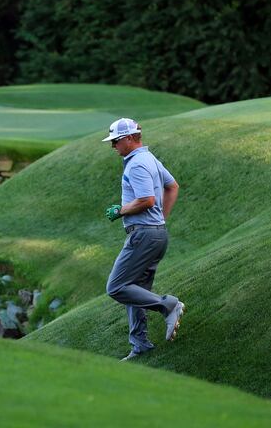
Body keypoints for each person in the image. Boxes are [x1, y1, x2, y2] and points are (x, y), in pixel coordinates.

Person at [102, 117, 184, 361]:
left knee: (117, 287)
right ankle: (140, 345)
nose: (113, 146)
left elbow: (146, 200)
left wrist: (120, 211)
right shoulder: (150, 158)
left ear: (129, 138)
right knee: (135, 289)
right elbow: (173, 186)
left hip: (143, 235)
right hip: (156, 233)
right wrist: (160, 219)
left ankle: (168, 305)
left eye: (116, 141)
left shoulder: (137, 164)